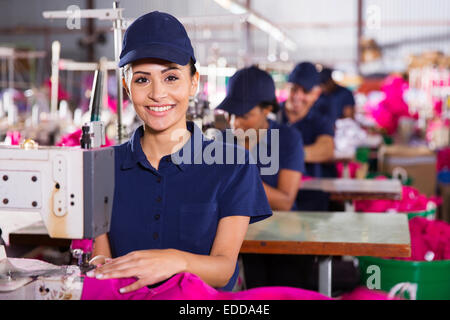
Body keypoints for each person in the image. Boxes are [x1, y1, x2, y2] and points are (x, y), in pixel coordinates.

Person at [89, 11, 272, 293]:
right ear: (126, 86)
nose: (158, 94)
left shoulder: (234, 166)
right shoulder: (101, 167)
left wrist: (174, 261)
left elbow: (223, 270)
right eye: (142, 80)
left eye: (171, 77)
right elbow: (102, 264)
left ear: (194, 82)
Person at [216, 66, 305, 211]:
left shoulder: (288, 140)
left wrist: (237, 178)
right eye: (230, 114)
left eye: (244, 116)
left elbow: (285, 202)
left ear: (267, 109)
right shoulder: (222, 140)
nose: (234, 122)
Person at [278, 62, 336, 211]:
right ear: (287, 88)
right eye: (294, 89)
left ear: (316, 94)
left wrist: (285, 155)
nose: (298, 96)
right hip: (274, 195)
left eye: (306, 91)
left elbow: (326, 150)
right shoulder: (271, 115)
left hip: (309, 197)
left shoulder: (321, 121)